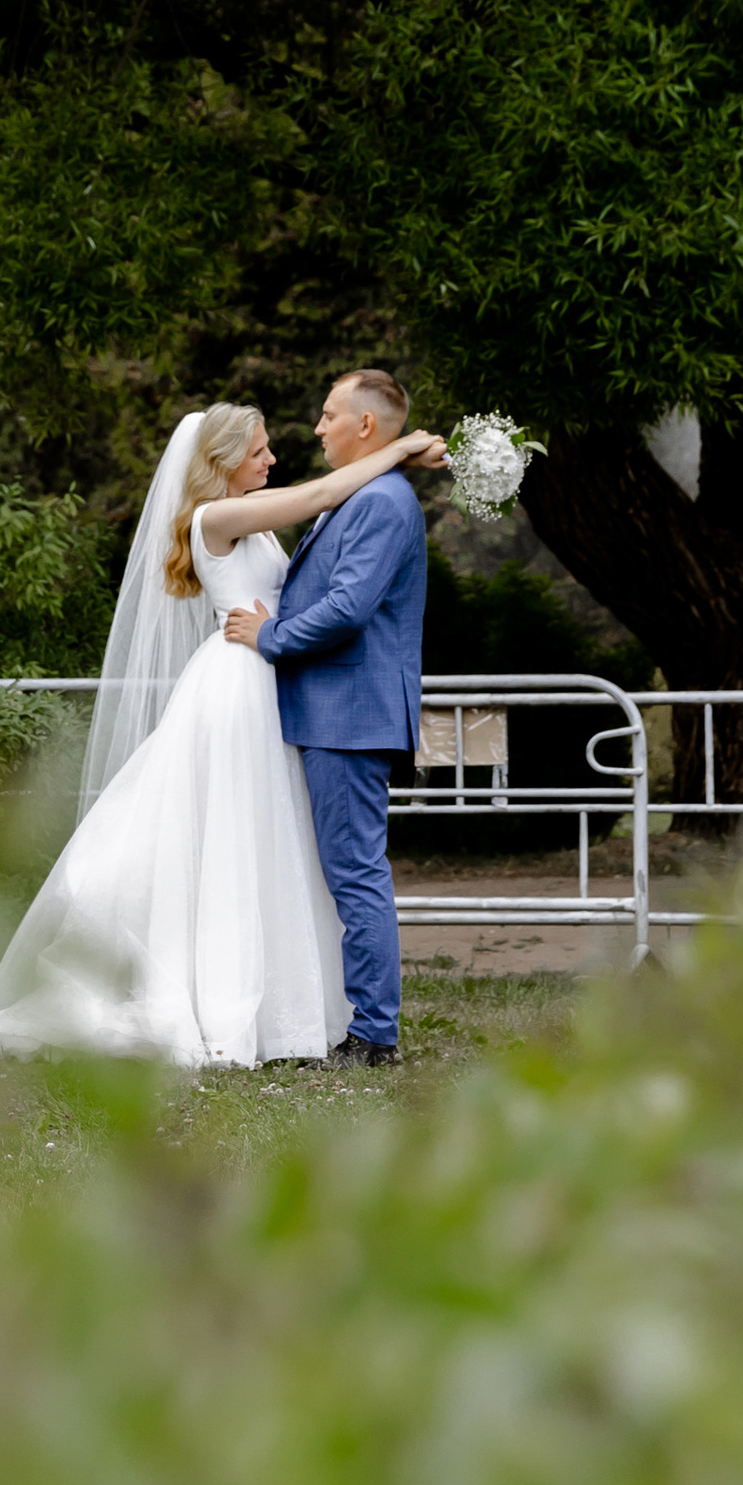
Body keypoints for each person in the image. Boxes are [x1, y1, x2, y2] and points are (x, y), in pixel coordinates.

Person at [0, 394, 443, 1068]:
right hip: (237, 683)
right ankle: (230, 996)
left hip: (269, 682)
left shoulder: (255, 523)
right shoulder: (217, 516)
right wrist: (401, 451)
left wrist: (398, 457)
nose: (273, 456)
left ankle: (297, 1006)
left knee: (269, 845)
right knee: (227, 837)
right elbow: (320, 493)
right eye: (258, 451)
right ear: (223, 461)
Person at [222, 368, 427, 1065]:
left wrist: (268, 637)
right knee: (344, 870)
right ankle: (352, 1017)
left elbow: (348, 608)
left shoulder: (382, 503)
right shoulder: (359, 493)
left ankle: (374, 1037)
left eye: (328, 413)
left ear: (365, 426)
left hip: (350, 713)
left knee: (355, 872)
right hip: (333, 710)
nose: (317, 426)